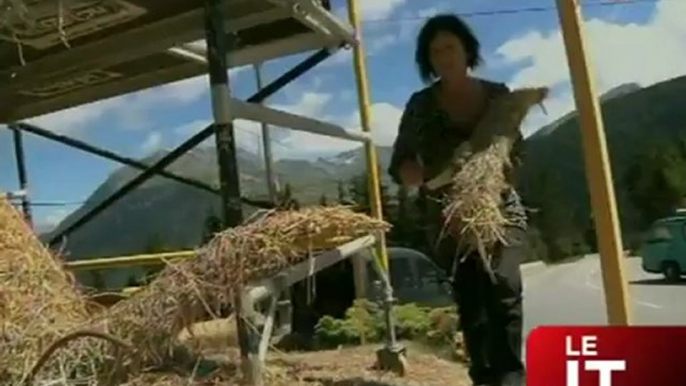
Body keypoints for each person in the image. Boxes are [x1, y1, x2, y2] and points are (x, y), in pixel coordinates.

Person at [388, 14, 529, 386]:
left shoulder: (498, 95)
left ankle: (511, 375)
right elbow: (400, 159)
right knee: (471, 300)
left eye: (450, 47)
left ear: (467, 50)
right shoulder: (420, 105)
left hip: (499, 209)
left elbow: (518, 150)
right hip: (447, 217)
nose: (444, 56)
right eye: (435, 52)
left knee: (503, 285)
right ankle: (483, 376)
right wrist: (411, 174)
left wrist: (493, 167)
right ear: (427, 60)